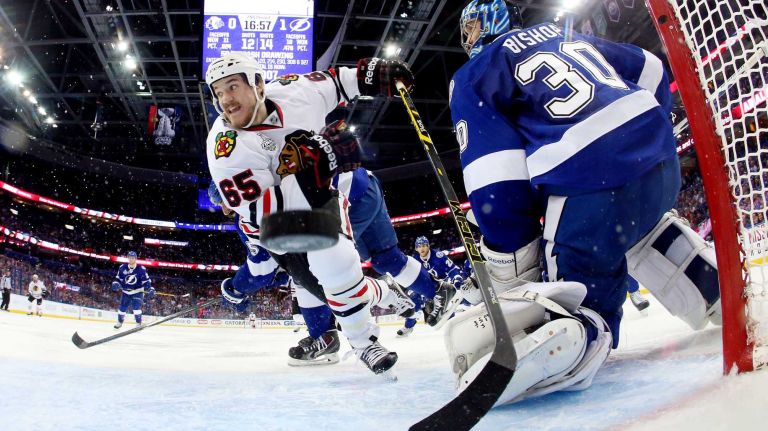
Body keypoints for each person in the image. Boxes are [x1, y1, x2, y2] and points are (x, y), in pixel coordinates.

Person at [445, 0, 720, 405]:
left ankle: (580, 330)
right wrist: (642, 133)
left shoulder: (474, 73)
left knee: (575, 292)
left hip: (592, 185)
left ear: (491, 21)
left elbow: (495, 177)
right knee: (639, 232)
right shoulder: (563, 35)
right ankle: (715, 290)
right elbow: (651, 69)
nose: (467, 38)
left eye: (470, 27)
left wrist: (511, 253)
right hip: (660, 163)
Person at [207, 180, 414, 368]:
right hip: (306, 228)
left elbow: (262, 269)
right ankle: (324, 337)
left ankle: (380, 301)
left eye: (223, 202)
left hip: (312, 230)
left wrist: (235, 288)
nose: (224, 210)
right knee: (309, 285)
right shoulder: (259, 187)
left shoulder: (246, 216)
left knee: (338, 293)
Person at [397, 236, 463, 337]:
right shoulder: (415, 260)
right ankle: (408, 327)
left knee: (439, 307)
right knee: (414, 301)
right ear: (416, 248)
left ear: (428, 246)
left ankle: (456, 324)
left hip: (443, 286)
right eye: (419, 246)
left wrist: (457, 278)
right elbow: (413, 278)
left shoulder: (438, 256)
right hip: (427, 287)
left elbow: (452, 269)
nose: (422, 248)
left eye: (424, 245)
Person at [112, 251, 155, 329]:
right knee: (122, 308)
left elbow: (146, 281)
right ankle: (119, 322)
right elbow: (118, 279)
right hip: (125, 292)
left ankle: (138, 323)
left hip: (138, 291)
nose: (131, 259)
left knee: (136, 307)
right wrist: (115, 283)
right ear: (128, 258)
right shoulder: (122, 267)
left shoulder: (141, 269)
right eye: (130, 258)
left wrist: (150, 288)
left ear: (135, 259)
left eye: (133, 258)